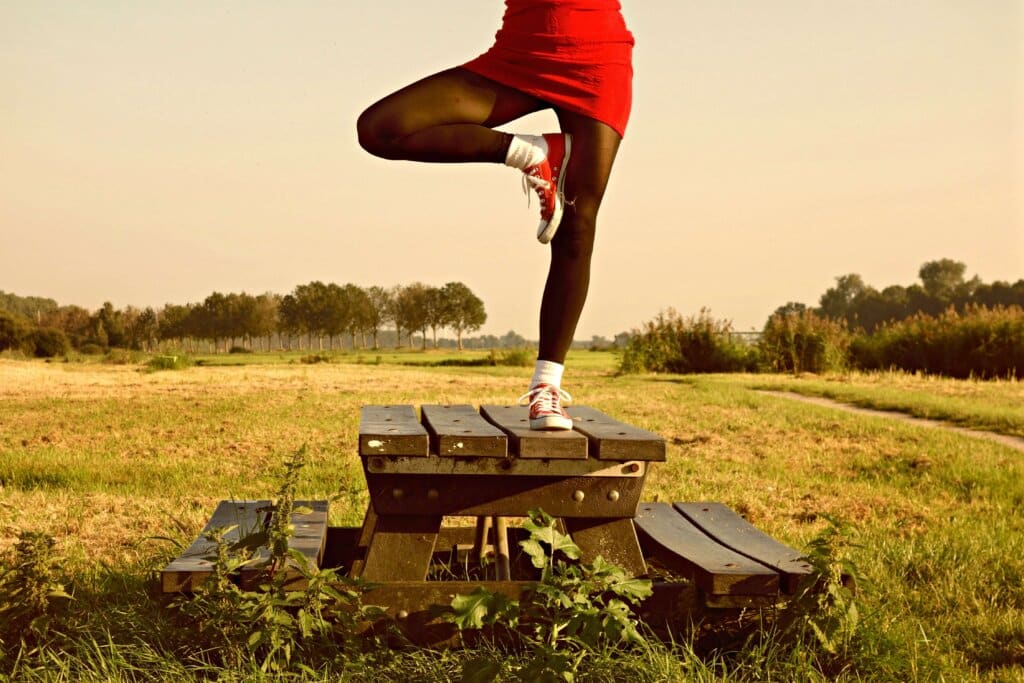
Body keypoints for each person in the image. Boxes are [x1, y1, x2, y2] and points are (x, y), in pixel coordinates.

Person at [357, 0, 634, 430]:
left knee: (577, 226)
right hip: (519, 56)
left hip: (597, 59)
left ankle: (547, 388)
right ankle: (527, 152)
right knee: (381, 128)